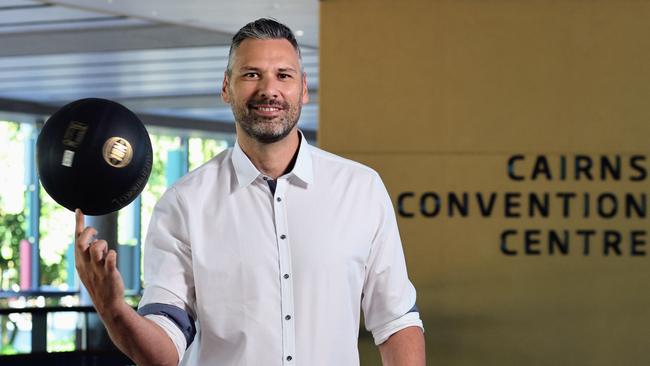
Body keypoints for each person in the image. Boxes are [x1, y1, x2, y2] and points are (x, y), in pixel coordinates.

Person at [74, 18, 425, 366]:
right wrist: (113, 309)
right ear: (226, 87)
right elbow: (163, 351)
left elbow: (396, 322)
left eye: (283, 75)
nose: (268, 90)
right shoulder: (184, 204)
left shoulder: (361, 189)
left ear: (303, 88)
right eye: (251, 74)